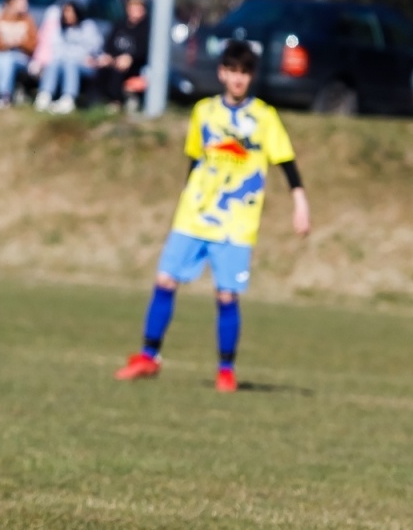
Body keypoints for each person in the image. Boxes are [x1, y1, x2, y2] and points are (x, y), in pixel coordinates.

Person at [114, 40, 311, 392]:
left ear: (251, 77)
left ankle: (225, 371)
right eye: (232, 71)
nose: (238, 79)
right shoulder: (204, 112)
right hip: (194, 214)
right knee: (165, 280)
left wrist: (300, 202)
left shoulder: (264, 117)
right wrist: (186, 195)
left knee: (226, 295)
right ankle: (148, 356)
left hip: (237, 220)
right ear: (221, 73)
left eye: (244, 73)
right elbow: (195, 159)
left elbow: (286, 162)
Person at [33, 0, 102, 113]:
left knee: (70, 62)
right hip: (63, 63)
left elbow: (96, 47)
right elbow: (56, 49)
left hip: (84, 65)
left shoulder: (88, 26)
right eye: (65, 12)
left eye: (69, 11)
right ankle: (45, 95)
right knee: (53, 63)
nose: (67, 15)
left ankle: (68, 98)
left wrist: (89, 57)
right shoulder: (61, 29)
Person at [95, 0, 150, 110]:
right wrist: (108, 56)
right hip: (116, 59)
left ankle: (116, 101)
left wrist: (130, 57)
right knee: (102, 67)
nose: (135, 11)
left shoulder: (147, 28)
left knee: (119, 69)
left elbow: (144, 49)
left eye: (138, 8)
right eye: (133, 8)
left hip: (136, 63)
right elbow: (109, 44)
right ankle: (96, 101)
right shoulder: (120, 25)